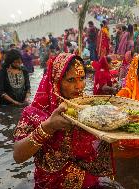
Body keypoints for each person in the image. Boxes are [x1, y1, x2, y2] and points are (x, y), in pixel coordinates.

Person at [13, 53, 114, 188]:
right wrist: (48, 127)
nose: (79, 86)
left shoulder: (88, 108)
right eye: (71, 80)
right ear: (56, 81)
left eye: (82, 78)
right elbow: (18, 156)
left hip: (89, 183)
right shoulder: (34, 113)